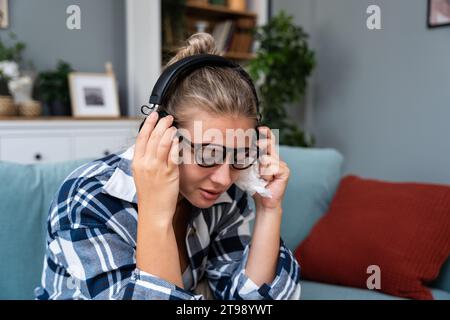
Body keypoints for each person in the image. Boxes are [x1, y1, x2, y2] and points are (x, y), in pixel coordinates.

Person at [34, 33, 301, 300]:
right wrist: (155, 212)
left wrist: (269, 208)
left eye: (240, 155)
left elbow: (247, 302)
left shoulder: (226, 196)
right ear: (163, 134)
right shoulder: (88, 199)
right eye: (208, 154)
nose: (223, 178)